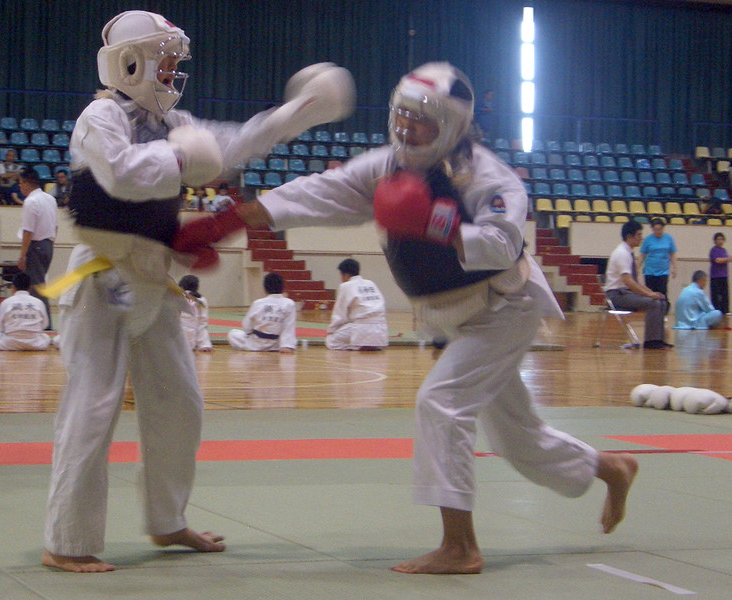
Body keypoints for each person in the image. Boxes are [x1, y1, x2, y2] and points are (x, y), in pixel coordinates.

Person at [177, 62, 638, 574]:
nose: (407, 128)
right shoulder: (385, 166)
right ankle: (610, 468)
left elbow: (505, 243)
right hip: (459, 314)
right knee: (516, 437)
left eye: (423, 120)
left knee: (441, 402)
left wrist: (434, 223)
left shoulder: (487, 176)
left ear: (454, 126)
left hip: (507, 307)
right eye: (402, 115)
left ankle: (460, 547)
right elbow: (311, 195)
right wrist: (223, 223)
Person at [41, 9, 353, 572]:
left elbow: (234, 143)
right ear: (130, 61)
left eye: (174, 61)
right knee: (92, 405)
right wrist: (181, 158)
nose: (171, 70)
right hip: (102, 275)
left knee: (179, 402)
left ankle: (167, 520)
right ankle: (66, 539)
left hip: (152, 277)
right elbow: (117, 173)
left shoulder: (173, 120)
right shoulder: (99, 116)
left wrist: (298, 113)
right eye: (164, 59)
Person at [605, 220, 672, 349]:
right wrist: (648, 295)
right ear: (629, 236)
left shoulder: (628, 252)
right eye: (639, 235)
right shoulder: (622, 253)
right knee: (654, 303)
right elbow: (628, 281)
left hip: (624, 292)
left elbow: (635, 282)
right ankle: (651, 341)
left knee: (662, 300)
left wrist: (652, 293)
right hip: (616, 295)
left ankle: (658, 339)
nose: (641, 238)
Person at [18, 165, 57, 330]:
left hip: (36, 246)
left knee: (36, 286)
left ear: (27, 183)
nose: (19, 186)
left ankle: (45, 325)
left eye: (20, 183)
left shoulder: (31, 201)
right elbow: (55, 227)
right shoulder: (50, 199)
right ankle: (39, 323)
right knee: (38, 284)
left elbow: (28, 231)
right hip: (48, 245)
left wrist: (22, 255)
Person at [325, 258, 388, 350]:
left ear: (345, 274)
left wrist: (331, 330)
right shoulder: (371, 283)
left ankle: (356, 347)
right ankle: (372, 345)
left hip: (362, 327)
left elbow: (339, 314)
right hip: (381, 329)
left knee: (331, 341)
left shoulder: (345, 286)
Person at [228, 272, 296, 352]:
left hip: (256, 343)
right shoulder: (289, 303)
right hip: (277, 345)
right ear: (283, 287)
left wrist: (252, 331)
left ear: (265, 288)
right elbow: (289, 327)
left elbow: (246, 326)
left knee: (233, 333)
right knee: (289, 335)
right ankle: (286, 346)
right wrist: (286, 346)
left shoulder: (258, 303)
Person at [0, 271, 50, 350]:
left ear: (13, 287)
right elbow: (44, 325)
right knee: (46, 337)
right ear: (30, 288)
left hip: (8, 343)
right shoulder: (39, 302)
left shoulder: (6, 302)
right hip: (36, 344)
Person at [639, 218, 677, 302]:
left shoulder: (669, 238)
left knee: (662, 293)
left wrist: (675, 268)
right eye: (656, 229)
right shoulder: (647, 239)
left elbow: (673, 254)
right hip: (650, 271)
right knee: (650, 293)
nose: (658, 231)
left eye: (660, 229)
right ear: (652, 229)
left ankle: (662, 312)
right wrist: (637, 268)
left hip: (663, 271)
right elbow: (642, 255)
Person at [178, 274, 212, 352]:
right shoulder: (202, 300)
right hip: (191, 342)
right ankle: (203, 344)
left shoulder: (176, 296)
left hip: (176, 340)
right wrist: (204, 345)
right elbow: (203, 323)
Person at [709, 232, 731, 315]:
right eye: (718, 239)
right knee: (715, 295)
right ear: (715, 241)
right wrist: (727, 259)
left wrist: (726, 259)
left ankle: (725, 310)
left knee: (725, 294)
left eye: (721, 239)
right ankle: (716, 311)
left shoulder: (724, 250)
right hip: (715, 276)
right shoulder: (713, 250)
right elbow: (717, 260)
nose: (720, 241)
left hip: (724, 275)